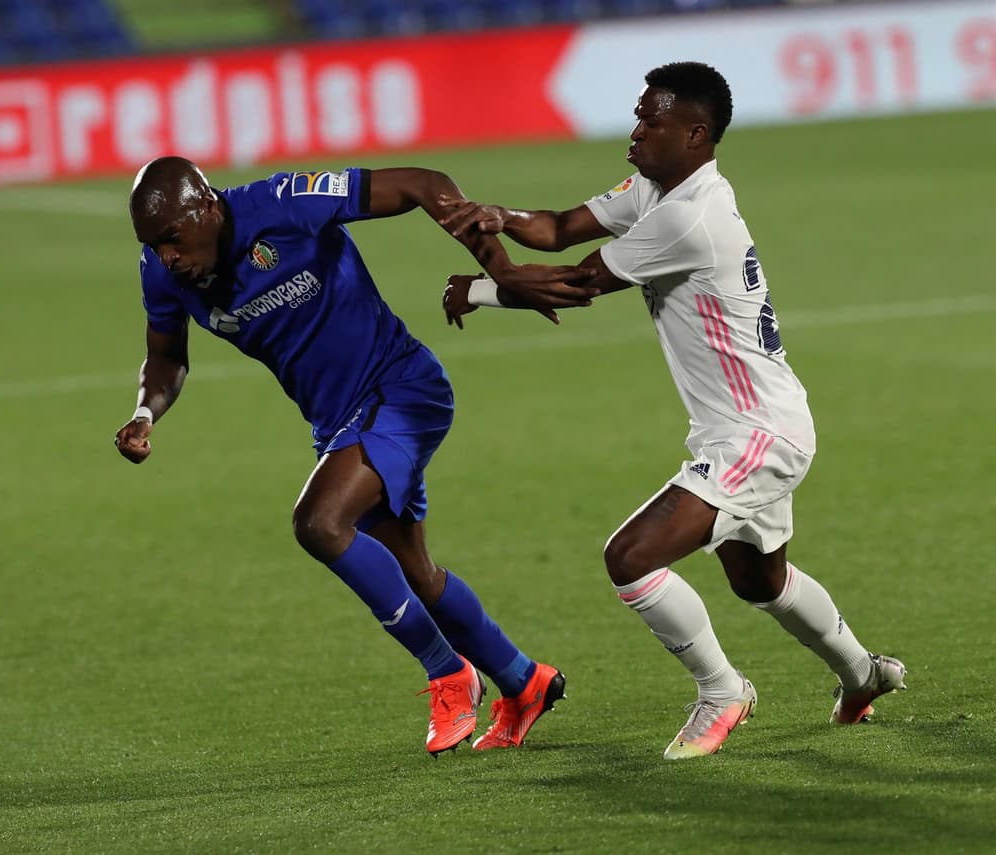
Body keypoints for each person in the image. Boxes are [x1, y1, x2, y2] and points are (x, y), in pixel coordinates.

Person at [438, 61, 906, 760]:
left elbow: (578, 281)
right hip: (758, 420)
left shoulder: (692, 218)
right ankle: (863, 675)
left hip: (757, 432)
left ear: (694, 133)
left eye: (650, 120)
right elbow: (564, 226)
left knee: (631, 556)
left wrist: (477, 291)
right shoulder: (660, 187)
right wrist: (500, 217)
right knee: (760, 579)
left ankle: (723, 691)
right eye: (637, 114)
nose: (635, 130)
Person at [114, 156, 598, 755]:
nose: (166, 257)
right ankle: (525, 683)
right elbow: (165, 359)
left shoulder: (285, 202)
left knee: (318, 523)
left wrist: (504, 272)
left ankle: (449, 673)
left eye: (171, 239)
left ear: (207, 207)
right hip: (339, 424)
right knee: (417, 576)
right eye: (152, 245)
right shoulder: (162, 274)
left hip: (400, 388)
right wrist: (145, 413)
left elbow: (424, 185)